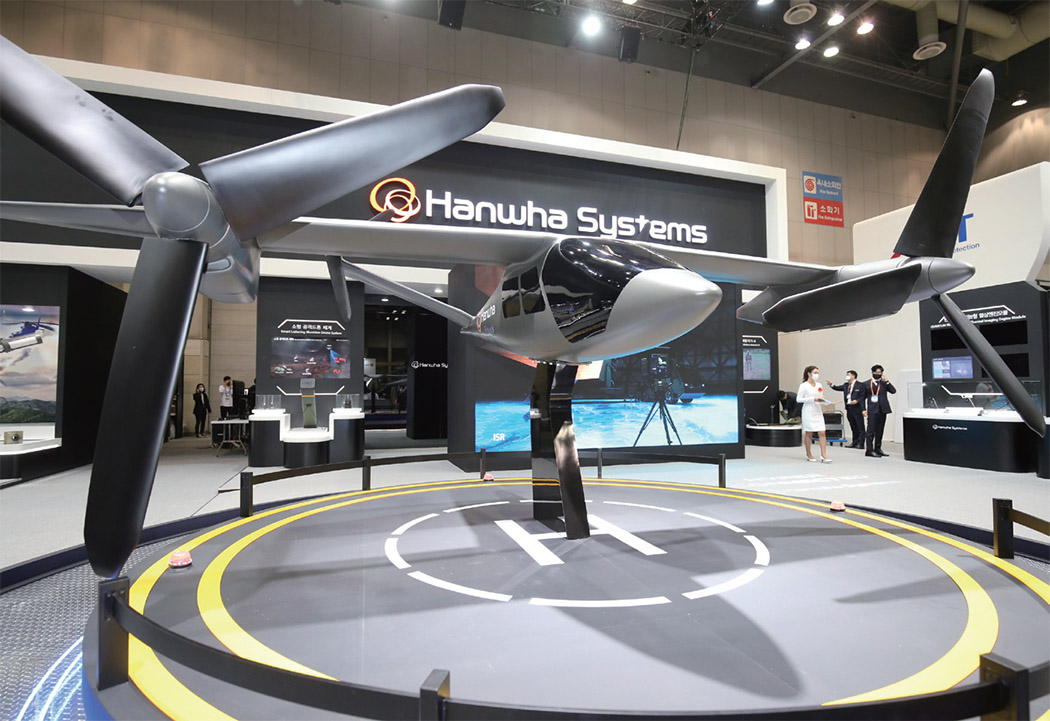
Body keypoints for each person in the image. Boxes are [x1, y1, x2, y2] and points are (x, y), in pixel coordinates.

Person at [797, 365, 832, 463]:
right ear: (809, 374)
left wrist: (822, 399)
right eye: (815, 373)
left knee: (822, 432)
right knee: (809, 432)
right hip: (808, 410)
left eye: (818, 373)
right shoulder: (804, 385)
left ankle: (824, 455)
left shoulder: (819, 385)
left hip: (817, 409)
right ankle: (809, 453)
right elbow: (799, 399)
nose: (817, 375)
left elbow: (820, 396)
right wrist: (813, 399)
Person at [862, 364, 896, 457]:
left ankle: (878, 448)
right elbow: (861, 398)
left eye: (880, 373)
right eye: (876, 372)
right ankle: (869, 450)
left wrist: (887, 382)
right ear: (872, 372)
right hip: (872, 410)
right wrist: (863, 409)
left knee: (880, 430)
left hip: (883, 409)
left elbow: (893, 391)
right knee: (870, 431)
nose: (878, 374)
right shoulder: (866, 384)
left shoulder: (884, 383)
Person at [830, 370, 866, 448]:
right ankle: (854, 442)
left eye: (848, 375)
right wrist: (831, 385)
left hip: (857, 408)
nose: (847, 376)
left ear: (853, 376)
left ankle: (861, 443)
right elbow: (837, 388)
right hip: (849, 408)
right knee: (853, 426)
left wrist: (857, 401)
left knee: (860, 426)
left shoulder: (860, 385)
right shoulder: (846, 385)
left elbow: (862, 397)